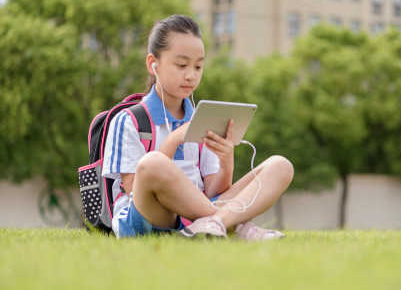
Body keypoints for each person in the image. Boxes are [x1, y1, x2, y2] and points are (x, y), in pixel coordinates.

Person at [102, 15, 294, 240]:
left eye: (198, 66)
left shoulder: (202, 118)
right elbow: (134, 188)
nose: (191, 75)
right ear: (153, 64)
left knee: (281, 166)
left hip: (196, 215)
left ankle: (215, 223)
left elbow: (213, 191)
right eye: (181, 65)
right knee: (151, 163)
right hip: (149, 217)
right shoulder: (129, 120)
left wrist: (226, 161)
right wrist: (174, 140)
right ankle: (234, 225)